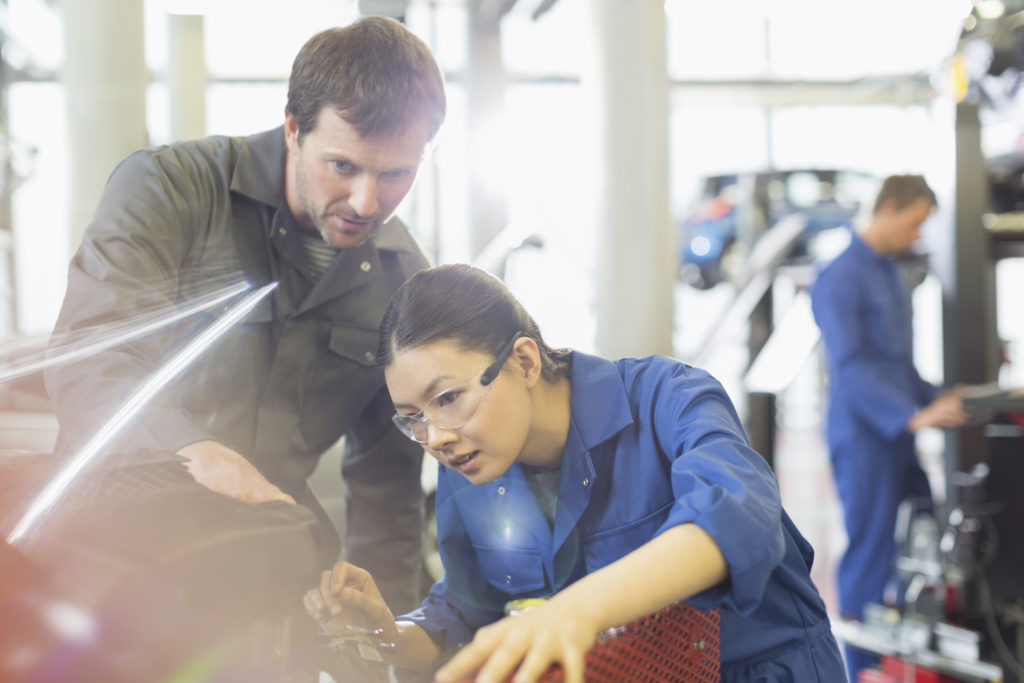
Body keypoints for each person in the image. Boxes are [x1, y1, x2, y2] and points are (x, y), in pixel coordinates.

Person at [42, 16, 446, 614]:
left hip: (259, 586)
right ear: (292, 129)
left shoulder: (403, 282)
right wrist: (197, 453)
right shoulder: (169, 191)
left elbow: (387, 493)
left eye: (396, 174)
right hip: (107, 564)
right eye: (343, 166)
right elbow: (90, 363)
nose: (367, 202)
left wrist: (390, 645)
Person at [303, 263, 847, 683]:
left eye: (448, 398)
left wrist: (576, 611)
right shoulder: (471, 465)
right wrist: (387, 631)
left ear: (524, 361)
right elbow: (469, 610)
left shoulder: (668, 399)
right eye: (414, 419)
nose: (437, 437)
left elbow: (738, 516)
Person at [810, 174, 971, 680]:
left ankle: (907, 652)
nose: (918, 234)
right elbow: (852, 364)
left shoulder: (889, 273)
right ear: (888, 209)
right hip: (863, 434)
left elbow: (897, 363)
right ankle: (860, 667)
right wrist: (911, 415)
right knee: (871, 544)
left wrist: (937, 397)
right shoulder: (838, 276)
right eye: (916, 222)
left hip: (898, 431)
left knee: (921, 529)